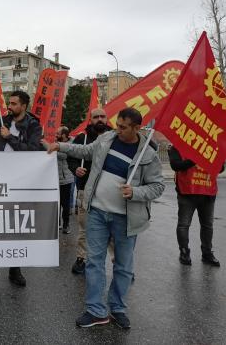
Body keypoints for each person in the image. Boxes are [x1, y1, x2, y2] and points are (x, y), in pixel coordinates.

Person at [46, 107, 165, 329]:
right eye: (117, 124)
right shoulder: (107, 138)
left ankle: (117, 308)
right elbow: (85, 151)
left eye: (123, 127)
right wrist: (60, 145)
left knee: (123, 267)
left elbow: (158, 186)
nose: (117, 129)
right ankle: (95, 311)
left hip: (126, 219)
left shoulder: (148, 155)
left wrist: (136, 192)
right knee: (94, 262)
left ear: (136, 128)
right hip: (97, 212)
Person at [0, 90, 42, 287]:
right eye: (9, 103)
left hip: (20, 181)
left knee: (16, 225)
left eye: (14, 104)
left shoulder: (33, 125)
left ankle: (15, 269)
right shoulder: (0, 122)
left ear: (24, 106)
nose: (9, 106)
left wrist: (10, 138)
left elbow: (33, 151)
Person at [67, 108, 113, 274]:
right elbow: (71, 158)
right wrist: (75, 169)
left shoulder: (115, 137)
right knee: (84, 227)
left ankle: (118, 263)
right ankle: (81, 258)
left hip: (109, 192)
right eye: (96, 117)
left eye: (102, 116)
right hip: (84, 190)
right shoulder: (82, 138)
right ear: (90, 119)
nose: (99, 119)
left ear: (107, 119)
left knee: (113, 229)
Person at [169, 145, 223, 267]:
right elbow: (175, 165)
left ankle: (207, 253)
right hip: (187, 193)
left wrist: (213, 158)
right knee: (184, 225)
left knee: (207, 226)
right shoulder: (177, 146)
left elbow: (221, 168)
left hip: (208, 192)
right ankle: (184, 252)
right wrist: (196, 158)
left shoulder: (213, 148)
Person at [53, 126, 74, 234]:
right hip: (55, 180)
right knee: (56, 203)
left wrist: (51, 148)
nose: (56, 135)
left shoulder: (71, 145)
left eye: (58, 133)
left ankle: (66, 225)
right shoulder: (55, 143)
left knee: (65, 205)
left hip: (66, 180)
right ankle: (57, 224)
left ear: (64, 135)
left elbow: (63, 155)